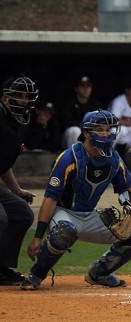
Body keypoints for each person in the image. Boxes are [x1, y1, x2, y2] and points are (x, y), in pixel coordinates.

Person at [20, 110, 131, 290]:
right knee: (65, 232)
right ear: (87, 133)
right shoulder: (68, 158)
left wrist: (128, 206)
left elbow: (125, 188)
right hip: (64, 213)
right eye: (100, 130)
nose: (106, 134)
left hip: (89, 216)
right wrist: (37, 237)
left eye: (108, 129)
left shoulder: (113, 157)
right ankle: (36, 274)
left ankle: (99, 273)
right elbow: (49, 199)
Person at [0, 74, 38, 285]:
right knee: (0, 218)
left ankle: (2, 268)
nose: (23, 100)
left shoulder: (18, 122)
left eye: (26, 96)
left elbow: (3, 163)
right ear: (5, 99)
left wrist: (16, 190)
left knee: (21, 213)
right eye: (18, 96)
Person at [59, 76, 103, 149]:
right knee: (74, 130)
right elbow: (67, 123)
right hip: (69, 138)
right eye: (82, 86)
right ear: (76, 89)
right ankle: (74, 159)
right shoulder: (69, 103)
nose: (86, 89)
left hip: (90, 136)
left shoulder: (95, 104)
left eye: (88, 86)